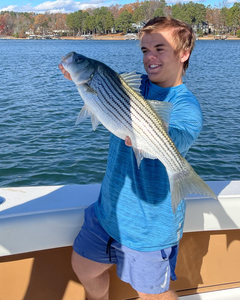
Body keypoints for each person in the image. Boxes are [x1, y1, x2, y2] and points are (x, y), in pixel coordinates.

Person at [59, 16, 202, 300]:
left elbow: (182, 135)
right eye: (145, 50)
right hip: (107, 214)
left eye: (160, 49)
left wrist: (150, 136)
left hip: (149, 228)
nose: (150, 57)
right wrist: (77, 77)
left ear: (183, 54)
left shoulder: (186, 105)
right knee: (85, 268)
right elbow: (101, 98)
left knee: (152, 295)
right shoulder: (132, 86)